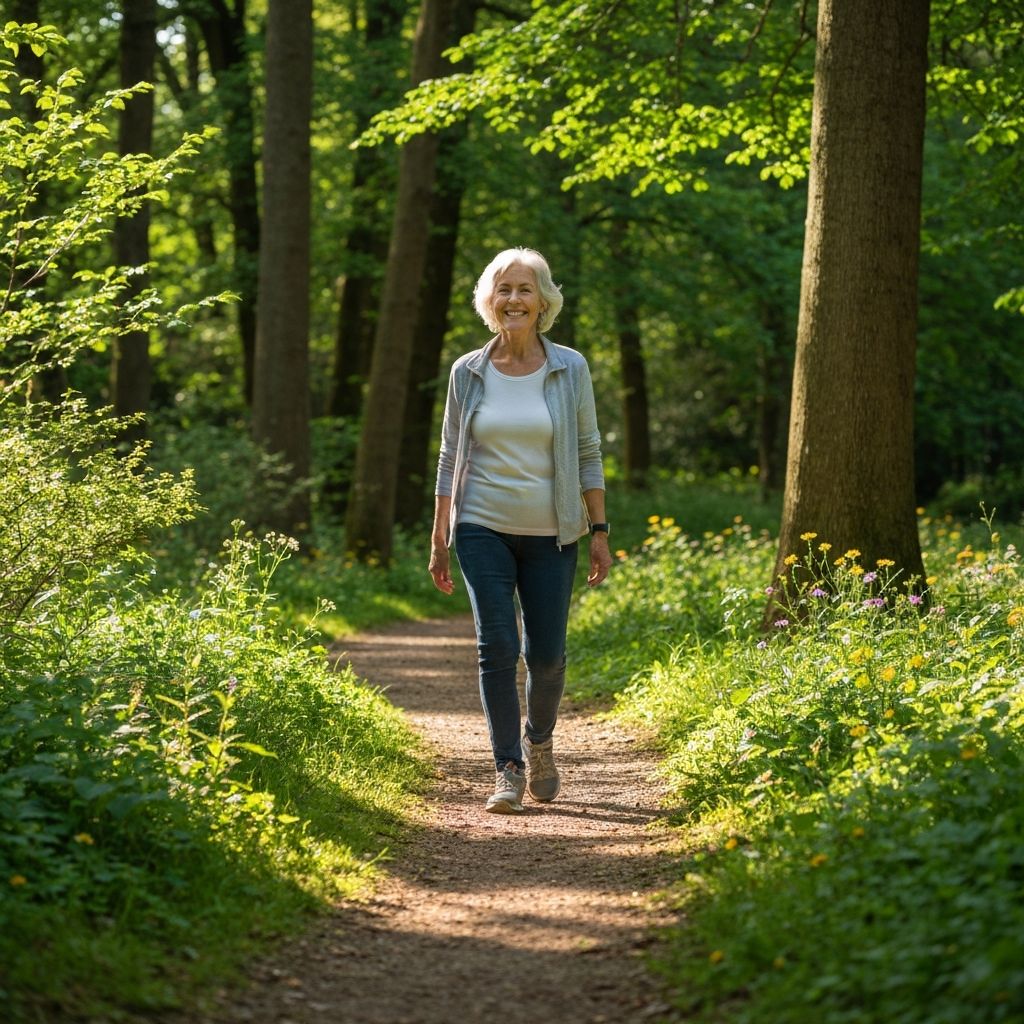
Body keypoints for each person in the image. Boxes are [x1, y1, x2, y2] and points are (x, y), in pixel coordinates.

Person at [428, 247, 611, 814]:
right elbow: (449, 454)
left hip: (553, 531)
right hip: (482, 524)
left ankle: (540, 740)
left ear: (543, 301)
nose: (514, 299)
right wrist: (440, 536)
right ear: (490, 301)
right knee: (497, 646)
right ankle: (506, 767)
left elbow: (587, 450)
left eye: (524, 289)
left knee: (548, 656)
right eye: (503, 289)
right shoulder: (469, 371)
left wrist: (598, 529)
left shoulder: (569, 368)